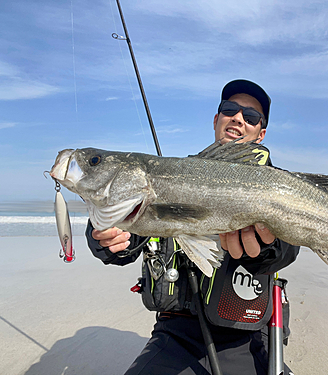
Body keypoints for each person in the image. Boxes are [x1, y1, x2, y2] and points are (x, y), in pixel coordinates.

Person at [86, 79, 300, 375]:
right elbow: (129, 238)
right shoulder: (170, 175)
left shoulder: (279, 185)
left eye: (251, 117)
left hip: (248, 337)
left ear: (260, 134)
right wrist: (105, 238)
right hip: (176, 334)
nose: (238, 118)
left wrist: (264, 248)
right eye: (229, 109)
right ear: (216, 119)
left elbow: (288, 248)